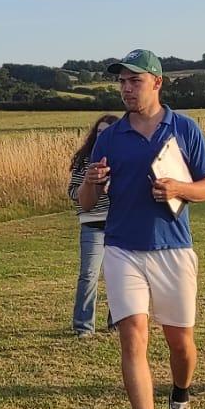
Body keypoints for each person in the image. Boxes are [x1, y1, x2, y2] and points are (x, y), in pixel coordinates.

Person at [76, 50, 205, 409]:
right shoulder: (110, 136)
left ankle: (180, 396)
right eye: (121, 82)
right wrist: (92, 182)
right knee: (133, 336)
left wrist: (179, 189)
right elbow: (86, 203)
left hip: (173, 247)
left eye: (134, 81)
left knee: (180, 341)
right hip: (121, 247)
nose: (126, 88)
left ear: (157, 83)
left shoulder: (185, 129)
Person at [67, 114, 117, 337]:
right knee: (89, 275)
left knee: (118, 276)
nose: (103, 136)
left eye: (108, 132)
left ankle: (116, 322)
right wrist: (89, 186)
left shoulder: (123, 158)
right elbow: (72, 191)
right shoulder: (85, 160)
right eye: (99, 132)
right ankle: (83, 326)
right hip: (92, 225)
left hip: (117, 224)